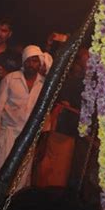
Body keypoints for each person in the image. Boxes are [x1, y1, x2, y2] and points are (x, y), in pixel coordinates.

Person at [0, 45, 50, 205]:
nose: (32, 64)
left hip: (27, 139)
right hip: (6, 134)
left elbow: (45, 115)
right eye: (29, 61)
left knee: (20, 180)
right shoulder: (10, 79)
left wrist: (42, 142)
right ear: (24, 61)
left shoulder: (44, 86)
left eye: (35, 61)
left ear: (39, 63)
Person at [33, 47, 88, 188]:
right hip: (63, 128)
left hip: (77, 132)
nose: (90, 59)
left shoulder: (88, 80)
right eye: (86, 56)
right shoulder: (68, 80)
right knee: (55, 168)